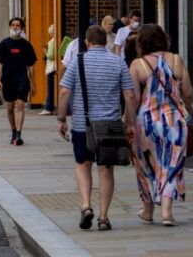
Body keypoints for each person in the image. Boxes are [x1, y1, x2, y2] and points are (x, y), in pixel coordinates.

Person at [57, 26, 137, 233]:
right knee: (106, 170)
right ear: (106, 42)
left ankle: (85, 206)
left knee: (83, 165)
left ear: (87, 42)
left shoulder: (77, 61)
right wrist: (130, 123)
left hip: (83, 126)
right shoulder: (118, 61)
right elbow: (129, 96)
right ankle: (103, 217)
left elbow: (65, 91)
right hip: (110, 126)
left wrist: (61, 118)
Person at [130, 23, 193, 226]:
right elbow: (189, 92)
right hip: (174, 121)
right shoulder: (176, 60)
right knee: (171, 164)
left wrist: (128, 122)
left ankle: (148, 211)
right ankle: (167, 213)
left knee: (145, 164)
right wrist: (188, 113)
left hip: (146, 122)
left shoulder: (137, 65)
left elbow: (133, 98)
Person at [0, 16, 37, 146]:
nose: (15, 27)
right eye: (13, 25)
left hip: (22, 78)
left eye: (18, 25)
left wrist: (33, 85)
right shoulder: (4, 44)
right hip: (7, 78)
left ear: (22, 28)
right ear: (10, 27)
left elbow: (31, 66)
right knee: (9, 107)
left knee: (19, 104)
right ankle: (13, 131)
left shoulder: (26, 45)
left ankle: (18, 134)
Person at [41, 24, 59, 116]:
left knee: (50, 88)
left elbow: (51, 56)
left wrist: (45, 51)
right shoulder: (56, 41)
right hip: (54, 67)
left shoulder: (52, 42)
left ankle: (49, 107)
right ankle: (49, 106)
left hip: (51, 67)